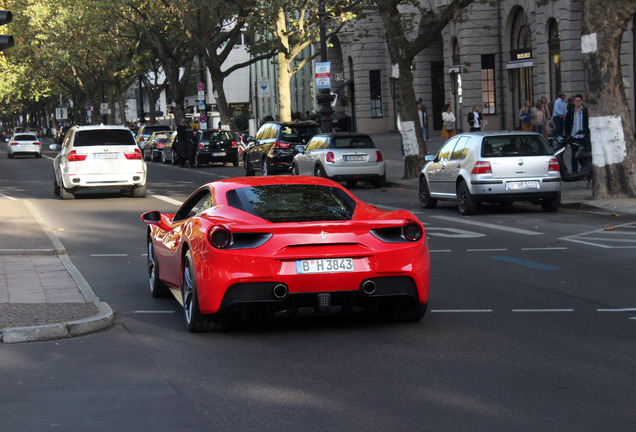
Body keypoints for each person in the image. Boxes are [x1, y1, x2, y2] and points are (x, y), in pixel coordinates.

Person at [565, 94, 590, 172]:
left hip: (584, 136)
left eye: (579, 101)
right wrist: (567, 136)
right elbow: (567, 124)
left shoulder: (586, 111)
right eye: (576, 101)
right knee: (574, 155)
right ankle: (574, 171)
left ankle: (586, 169)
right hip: (574, 136)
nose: (577, 102)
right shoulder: (570, 112)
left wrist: (588, 133)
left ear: (582, 101)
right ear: (574, 102)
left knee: (587, 154)